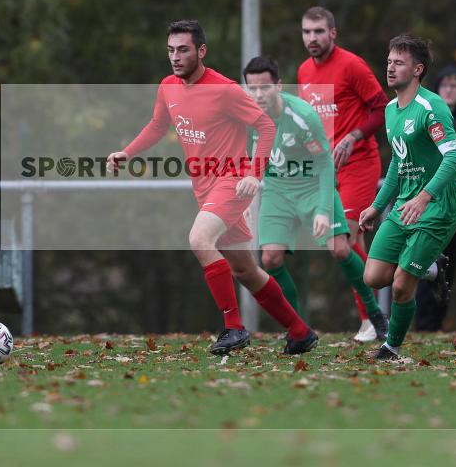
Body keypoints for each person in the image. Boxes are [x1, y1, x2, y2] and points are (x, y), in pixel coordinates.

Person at [107, 20, 319, 355]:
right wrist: (128, 152)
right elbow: (158, 125)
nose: (175, 57)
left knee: (199, 239)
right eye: (171, 50)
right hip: (205, 188)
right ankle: (300, 331)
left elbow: (265, 126)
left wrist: (254, 174)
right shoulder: (168, 87)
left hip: (232, 183)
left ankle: (234, 328)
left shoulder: (224, 89)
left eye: (183, 50)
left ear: (201, 51)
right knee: (246, 271)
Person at [243, 56, 388, 340]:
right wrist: (247, 200)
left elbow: (324, 164)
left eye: (264, 88)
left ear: (279, 86)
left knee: (341, 249)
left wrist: (322, 209)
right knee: (270, 259)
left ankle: (374, 314)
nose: (258, 95)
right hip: (278, 190)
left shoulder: (302, 115)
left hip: (312, 185)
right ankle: (298, 331)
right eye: (253, 89)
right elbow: (254, 158)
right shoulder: (247, 115)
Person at [359, 34, 456, 360]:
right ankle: (431, 267)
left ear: (417, 69)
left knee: (403, 283)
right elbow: (398, 165)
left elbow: (454, 158)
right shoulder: (391, 111)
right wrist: (377, 206)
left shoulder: (432, 108)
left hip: (437, 207)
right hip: (405, 206)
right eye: (389, 61)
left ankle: (392, 346)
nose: (390, 68)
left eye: (399, 63)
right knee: (373, 278)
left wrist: (424, 197)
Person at [297, 6, 389, 341]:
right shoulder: (304, 71)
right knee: (352, 244)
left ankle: (374, 313)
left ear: (333, 33)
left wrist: (354, 136)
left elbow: (382, 109)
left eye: (319, 31)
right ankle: (380, 307)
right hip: (327, 170)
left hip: (360, 164)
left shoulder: (352, 65)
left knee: (343, 243)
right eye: (307, 32)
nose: (312, 38)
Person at [415, 65, 456, 331]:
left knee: (447, 269)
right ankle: (424, 324)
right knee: (427, 266)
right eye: (445, 85)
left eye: (455, 85)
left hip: (454, 208)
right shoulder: (430, 120)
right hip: (430, 205)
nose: (450, 90)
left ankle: (435, 323)